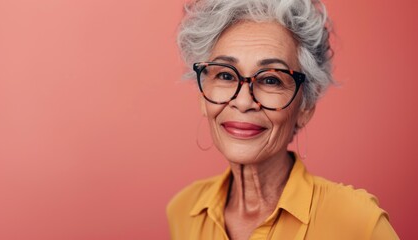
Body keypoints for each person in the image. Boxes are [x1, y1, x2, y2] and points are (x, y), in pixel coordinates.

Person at [167, 0, 399, 239]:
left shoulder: (357, 223)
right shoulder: (184, 211)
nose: (244, 102)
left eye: (271, 80)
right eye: (225, 75)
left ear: (305, 106)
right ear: (202, 95)